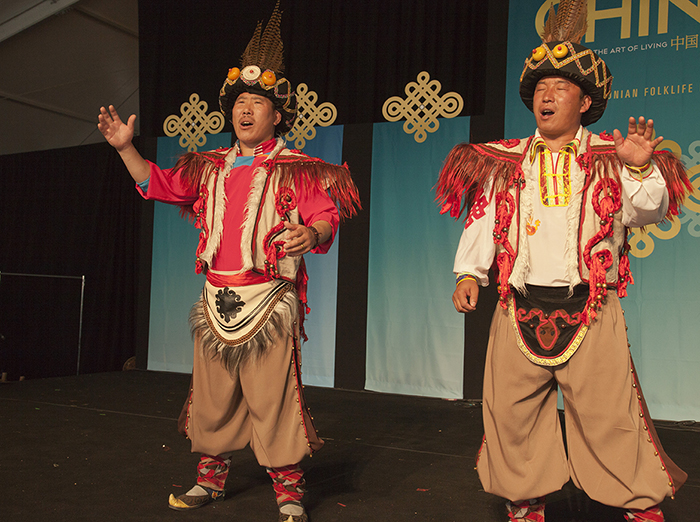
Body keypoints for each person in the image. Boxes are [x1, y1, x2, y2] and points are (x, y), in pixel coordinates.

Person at [97, 5, 359, 522]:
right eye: (240, 102)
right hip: (217, 299)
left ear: (275, 114)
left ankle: (288, 491)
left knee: (272, 397)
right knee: (213, 396)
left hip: (269, 300)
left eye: (256, 103)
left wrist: (312, 231)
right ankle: (209, 481)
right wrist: (127, 150)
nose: (245, 110)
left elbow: (326, 218)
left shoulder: (298, 169)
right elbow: (161, 185)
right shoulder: (209, 166)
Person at [435, 3, 690, 522]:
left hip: (591, 308)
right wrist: (468, 272)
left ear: (586, 100)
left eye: (561, 88)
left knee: (608, 418)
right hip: (517, 307)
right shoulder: (504, 159)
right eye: (540, 90)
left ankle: (639, 508)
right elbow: (482, 219)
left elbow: (649, 211)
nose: (547, 96)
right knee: (511, 415)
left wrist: (640, 170)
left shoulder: (610, 154)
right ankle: (525, 507)